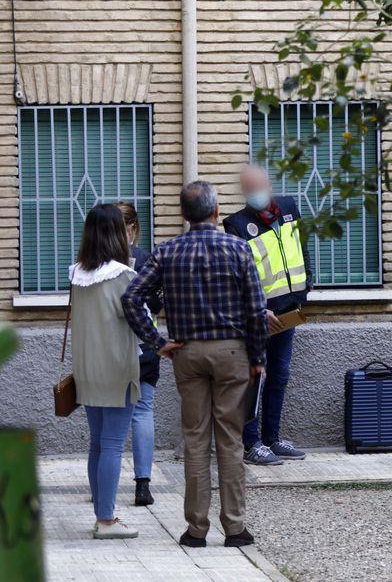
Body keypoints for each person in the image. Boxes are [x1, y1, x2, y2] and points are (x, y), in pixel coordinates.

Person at [122, 181, 268, 549]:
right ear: (217, 211)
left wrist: (158, 342)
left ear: (184, 215)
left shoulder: (167, 251)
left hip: (186, 353)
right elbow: (254, 308)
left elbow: (131, 296)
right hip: (233, 352)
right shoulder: (238, 248)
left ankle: (196, 530)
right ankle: (235, 529)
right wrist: (258, 358)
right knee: (231, 441)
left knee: (195, 440)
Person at [222, 164, 311, 466]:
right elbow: (237, 277)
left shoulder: (289, 208)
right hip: (258, 317)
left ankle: (272, 438)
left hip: (288, 313)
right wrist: (258, 309)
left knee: (280, 376)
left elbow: (302, 249)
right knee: (255, 378)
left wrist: (306, 289)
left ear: (269, 185)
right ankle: (252, 443)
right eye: (249, 189)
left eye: (259, 187)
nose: (255, 194)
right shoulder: (236, 224)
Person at [72, 204, 143, 540]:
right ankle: (106, 520)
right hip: (117, 368)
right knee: (113, 445)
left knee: (97, 445)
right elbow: (141, 321)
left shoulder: (78, 274)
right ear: (119, 233)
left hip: (87, 369)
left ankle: (102, 514)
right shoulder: (124, 275)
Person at [115, 202, 163, 507]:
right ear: (134, 228)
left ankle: (102, 482)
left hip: (107, 351)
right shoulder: (146, 259)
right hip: (144, 347)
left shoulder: (92, 261)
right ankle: (142, 485)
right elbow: (157, 306)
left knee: (109, 417)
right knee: (143, 412)